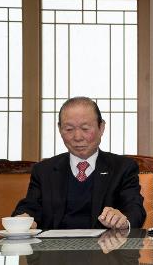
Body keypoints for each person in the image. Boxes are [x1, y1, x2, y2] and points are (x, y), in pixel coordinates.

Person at [12, 97, 146, 229]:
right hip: (55, 249)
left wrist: (123, 220)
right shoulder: (43, 170)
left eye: (85, 128)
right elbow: (30, 207)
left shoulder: (123, 168)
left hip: (105, 249)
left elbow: (135, 210)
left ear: (101, 127)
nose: (77, 137)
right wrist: (25, 219)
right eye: (69, 129)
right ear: (60, 129)